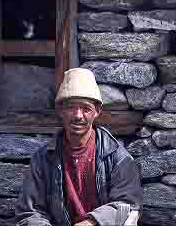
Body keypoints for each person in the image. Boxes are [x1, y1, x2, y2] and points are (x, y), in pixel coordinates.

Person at [15, 68, 143, 226]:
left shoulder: (117, 157)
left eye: (86, 108)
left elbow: (127, 204)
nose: (78, 115)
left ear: (97, 111)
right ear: (60, 110)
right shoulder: (42, 159)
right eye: (71, 108)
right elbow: (29, 212)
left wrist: (91, 222)